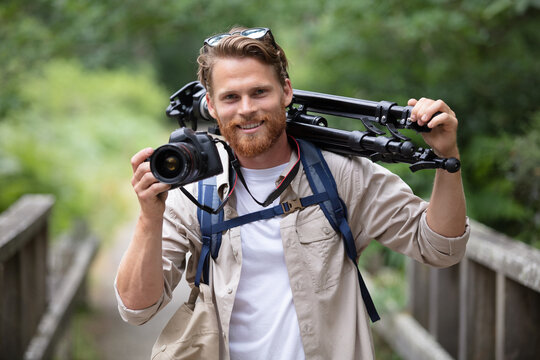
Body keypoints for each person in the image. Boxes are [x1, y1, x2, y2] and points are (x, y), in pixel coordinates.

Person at [115, 27, 469, 359]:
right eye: (231, 97)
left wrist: (446, 157)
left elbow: (439, 247)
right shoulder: (195, 192)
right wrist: (149, 215)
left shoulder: (340, 175)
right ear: (212, 105)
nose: (246, 109)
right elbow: (136, 308)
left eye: (259, 92)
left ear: (285, 91)